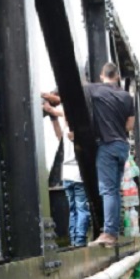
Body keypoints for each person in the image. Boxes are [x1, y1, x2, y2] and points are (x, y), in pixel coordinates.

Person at [85, 62, 135, 248]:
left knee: (108, 190)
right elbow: (130, 126)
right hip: (122, 146)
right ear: (117, 76)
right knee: (114, 191)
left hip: (107, 146)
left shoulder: (95, 90)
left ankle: (109, 233)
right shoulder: (126, 96)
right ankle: (112, 230)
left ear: (101, 75)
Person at [43, 97, 91, 247]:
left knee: (72, 210)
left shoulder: (65, 133)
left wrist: (50, 111)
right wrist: (53, 111)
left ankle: (73, 239)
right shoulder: (79, 133)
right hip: (78, 175)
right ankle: (80, 240)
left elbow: (59, 127)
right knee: (82, 208)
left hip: (66, 176)